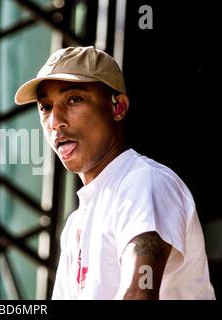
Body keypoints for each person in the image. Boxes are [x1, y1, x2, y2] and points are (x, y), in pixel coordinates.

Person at [14, 46, 215, 300]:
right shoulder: (76, 224)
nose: (55, 121)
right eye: (45, 107)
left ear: (118, 107)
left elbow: (137, 294)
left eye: (74, 99)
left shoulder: (144, 182)